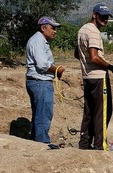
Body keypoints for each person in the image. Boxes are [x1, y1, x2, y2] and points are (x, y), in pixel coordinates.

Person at [75, 3, 113, 150]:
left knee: (89, 112)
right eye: (102, 16)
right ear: (95, 15)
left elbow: (77, 54)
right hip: (98, 77)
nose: (105, 19)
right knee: (102, 112)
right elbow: (94, 57)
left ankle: (85, 144)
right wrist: (111, 67)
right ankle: (100, 146)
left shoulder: (82, 29)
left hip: (87, 76)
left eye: (106, 17)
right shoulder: (93, 31)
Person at [25, 16, 65, 146]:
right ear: (43, 28)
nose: (55, 31)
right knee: (43, 115)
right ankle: (42, 144)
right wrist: (57, 70)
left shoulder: (40, 40)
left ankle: (37, 143)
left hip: (39, 81)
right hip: (40, 82)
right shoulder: (38, 41)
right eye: (52, 28)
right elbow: (42, 65)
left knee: (39, 114)